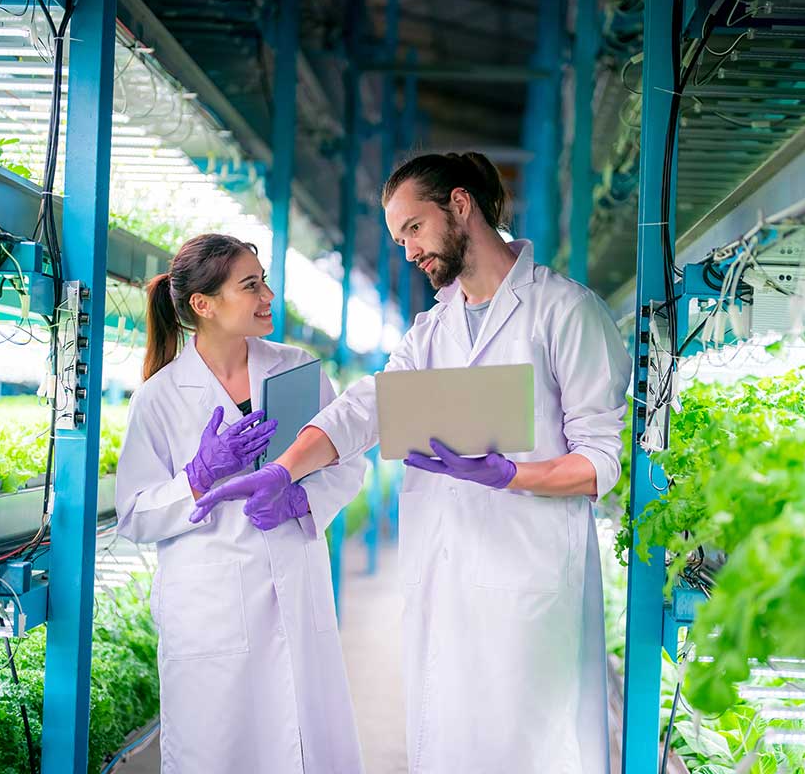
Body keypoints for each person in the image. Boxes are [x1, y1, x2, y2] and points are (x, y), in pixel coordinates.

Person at [192, 154, 632, 772]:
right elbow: (367, 407)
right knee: (451, 740)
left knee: (530, 744)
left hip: (527, 578)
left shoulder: (564, 311)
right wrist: (287, 466)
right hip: (444, 575)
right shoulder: (433, 328)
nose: (408, 251)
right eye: (399, 239)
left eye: (414, 230)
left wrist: (511, 475)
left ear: (460, 205)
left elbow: (602, 459)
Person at [115, 233, 366, 773]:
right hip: (210, 609)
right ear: (203, 306)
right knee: (219, 748)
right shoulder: (159, 397)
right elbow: (134, 515)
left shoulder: (296, 369)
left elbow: (348, 461)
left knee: (304, 744)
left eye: (265, 281)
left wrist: (301, 498)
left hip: (294, 588)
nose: (267, 295)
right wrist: (198, 477)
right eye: (250, 285)